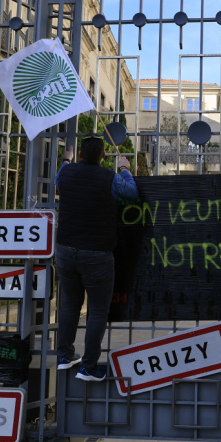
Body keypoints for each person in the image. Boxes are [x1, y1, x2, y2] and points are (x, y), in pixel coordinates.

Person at [55, 135, 138, 381]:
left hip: (65, 250)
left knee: (70, 304)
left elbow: (59, 179)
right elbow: (131, 193)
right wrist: (124, 168)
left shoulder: (66, 174)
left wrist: (64, 160)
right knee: (98, 310)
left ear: (79, 154)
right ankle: (89, 366)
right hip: (97, 254)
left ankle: (64, 355)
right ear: (104, 156)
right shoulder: (110, 178)